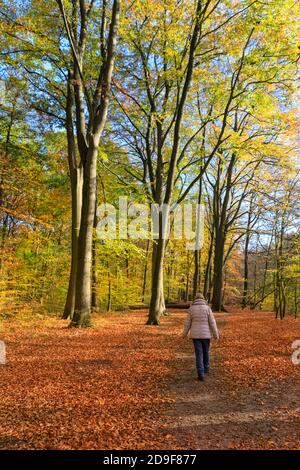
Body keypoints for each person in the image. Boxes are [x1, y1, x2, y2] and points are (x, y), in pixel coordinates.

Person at [182, 292, 219, 381]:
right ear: (203, 299)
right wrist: (215, 334)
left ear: (195, 299)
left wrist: (184, 334)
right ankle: (206, 368)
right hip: (206, 336)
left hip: (196, 336)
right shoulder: (207, 308)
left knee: (199, 353)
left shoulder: (191, 309)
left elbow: (187, 323)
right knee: (206, 351)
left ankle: (200, 373)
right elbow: (212, 322)